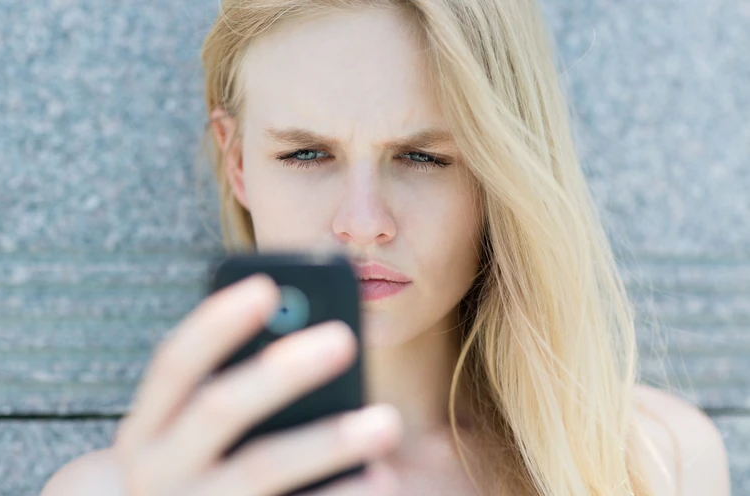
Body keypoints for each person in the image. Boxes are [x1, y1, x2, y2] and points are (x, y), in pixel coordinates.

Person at [41, 1, 731, 495]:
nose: (363, 222)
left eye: (423, 157)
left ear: (502, 171)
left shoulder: (654, 463)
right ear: (237, 161)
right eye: (306, 154)